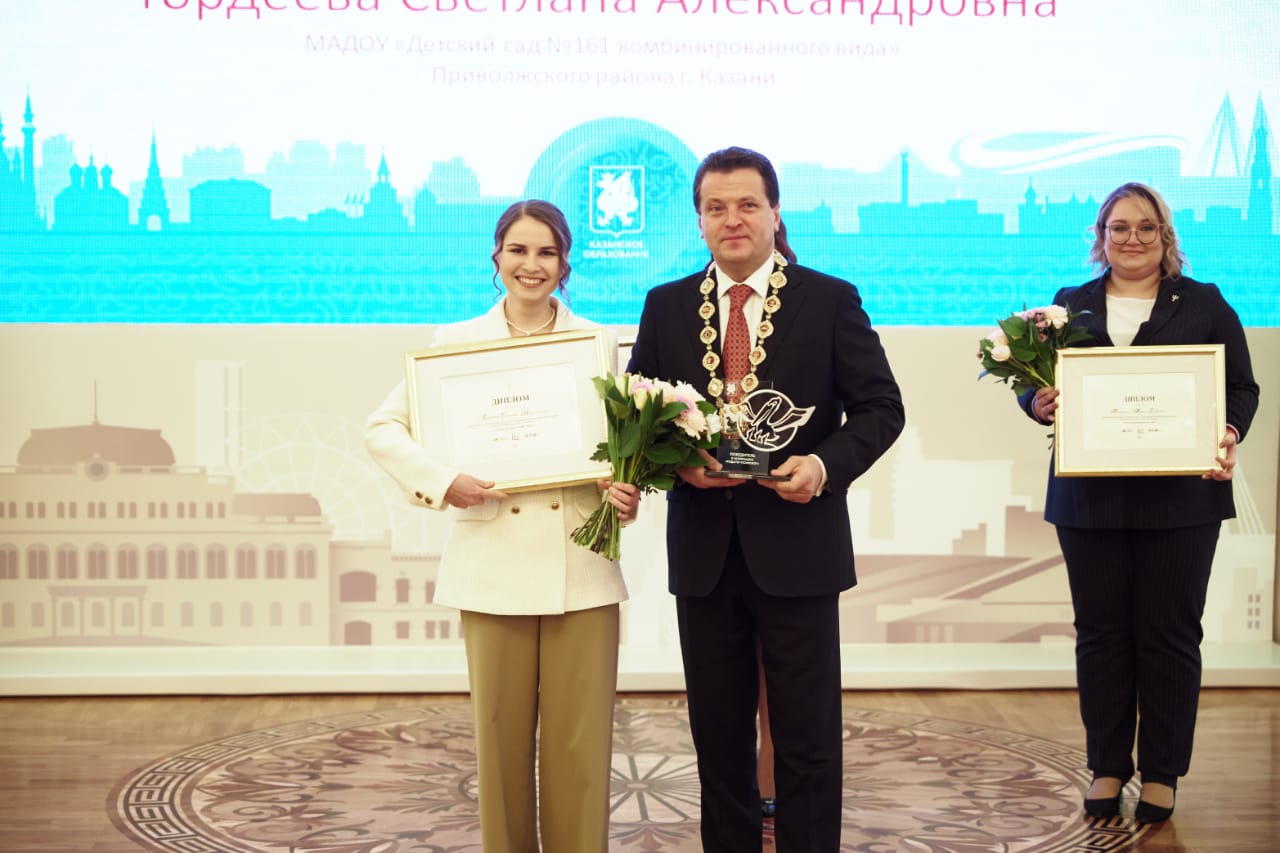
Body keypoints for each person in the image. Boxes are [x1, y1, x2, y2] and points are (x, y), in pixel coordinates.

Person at [628, 147, 905, 851]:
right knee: (717, 737)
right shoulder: (664, 306)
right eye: (716, 207)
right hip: (705, 555)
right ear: (698, 220)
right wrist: (680, 468)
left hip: (800, 548)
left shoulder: (830, 299)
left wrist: (823, 464)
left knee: (807, 737)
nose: (733, 220)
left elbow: (881, 408)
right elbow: (636, 422)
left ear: (775, 213)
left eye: (747, 205)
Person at [365, 199, 641, 853]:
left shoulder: (597, 343)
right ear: (496, 257)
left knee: (582, 746)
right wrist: (444, 481)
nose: (531, 265)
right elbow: (382, 429)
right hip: (490, 565)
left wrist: (626, 490)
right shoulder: (454, 343)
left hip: (582, 565)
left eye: (547, 252)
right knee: (499, 742)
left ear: (566, 263)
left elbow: (620, 444)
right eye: (518, 250)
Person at [1021, 182, 1259, 824]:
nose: (1132, 238)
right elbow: (1035, 385)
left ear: (1165, 236)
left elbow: (1242, 387)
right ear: (1100, 237)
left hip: (1182, 501)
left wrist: (1228, 431)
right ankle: (1106, 765)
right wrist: (1037, 402)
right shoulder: (1068, 306)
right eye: (1119, 227)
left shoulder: (1204, 302)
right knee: (1100, 634)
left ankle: (1161, 772)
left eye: (1146, 227)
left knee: (1170, 634)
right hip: (1089, 499)